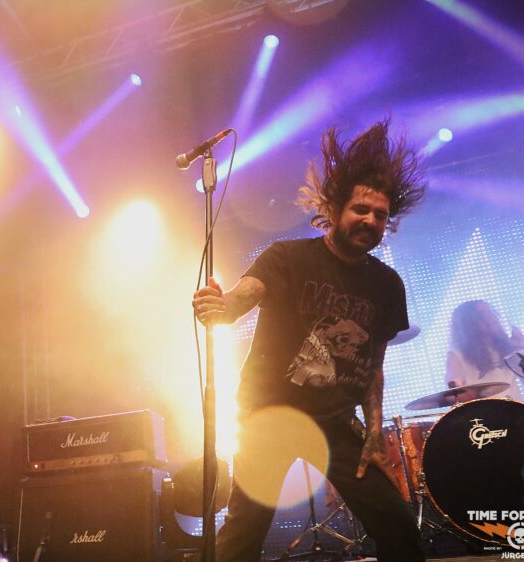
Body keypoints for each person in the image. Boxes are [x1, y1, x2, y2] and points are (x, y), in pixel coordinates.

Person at [192, 120, 426, 561]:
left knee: (398, 525)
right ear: (334, 209)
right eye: (361, 209)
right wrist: (220, 307)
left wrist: (374, 432)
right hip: (270, 416)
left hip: (335, 423)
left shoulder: (387, 285)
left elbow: (372, 365)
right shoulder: (288, 257)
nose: (370, 221)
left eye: (380, 215)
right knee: (243, 534)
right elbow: (243, 297)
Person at [445, 299, 524, 403]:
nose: (492, 317)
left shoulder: (506, 346)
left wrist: (520, 349)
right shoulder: (457, 354)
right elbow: (453, 389)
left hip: (516, 409)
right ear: (470, 323)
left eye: (491, 312)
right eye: (483, 314)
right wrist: (459, 391)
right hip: (482, 411)